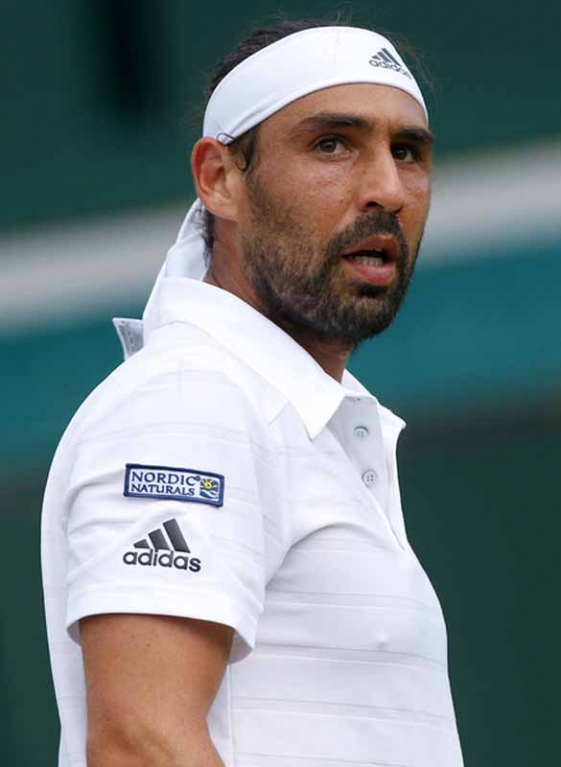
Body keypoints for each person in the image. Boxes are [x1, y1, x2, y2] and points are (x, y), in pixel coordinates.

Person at [42, 18, 464, 767]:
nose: (388, 189)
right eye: (332, 144)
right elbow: (140, 745)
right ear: (219, 178)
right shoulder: (192, 402)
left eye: (407, 152)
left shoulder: (262, 409)